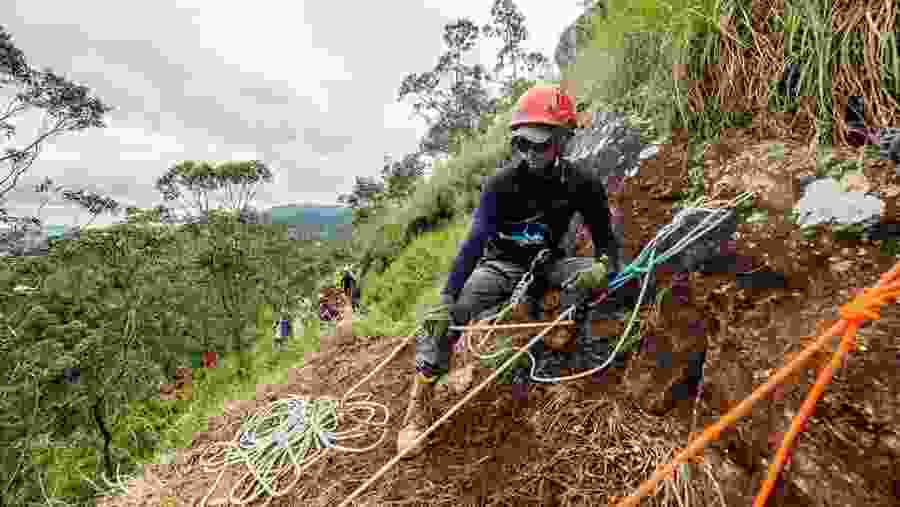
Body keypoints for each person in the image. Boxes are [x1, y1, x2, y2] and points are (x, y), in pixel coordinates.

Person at [397, 84, 627, 457]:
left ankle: (554, 317)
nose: (531, 153)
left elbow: (606, 244)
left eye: (540, 144)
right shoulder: (500, 185)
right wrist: (447, 298)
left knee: (589, 275)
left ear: (562, 139)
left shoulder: (582, 184)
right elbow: (473, 243)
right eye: (522, 143)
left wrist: (602, 268)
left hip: (548, 264)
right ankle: (417, 409)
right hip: (499, 265)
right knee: (443, 319)